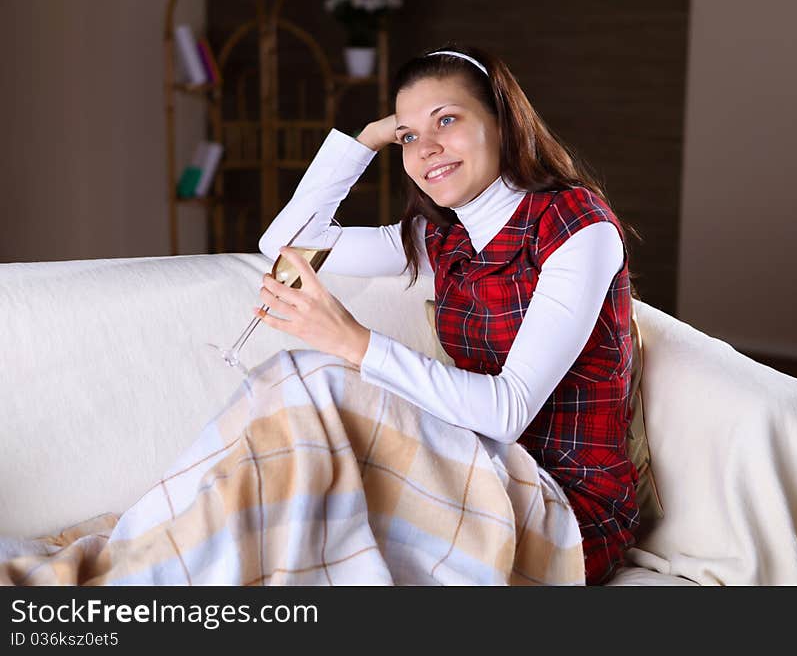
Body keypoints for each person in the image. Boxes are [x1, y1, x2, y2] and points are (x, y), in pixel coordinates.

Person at [255, 44, 639, 585]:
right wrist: (367, 138)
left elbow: (509, 412)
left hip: (567, 507)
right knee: (299, 414)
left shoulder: (578, 225)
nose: (426, 147)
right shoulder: (441, 236)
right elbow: (287, 243)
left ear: (503, 122)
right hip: (473, 474)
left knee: (322, 390)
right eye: (410, 136)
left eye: (448, 120)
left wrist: (354, 342)